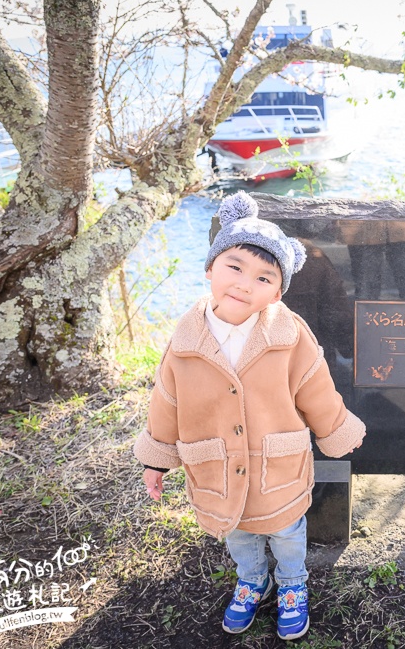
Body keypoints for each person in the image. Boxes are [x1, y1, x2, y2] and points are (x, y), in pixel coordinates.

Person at [134, 192, 365, 640]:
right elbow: (167, 401)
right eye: (233, 267)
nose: (244, 283)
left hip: (276, 465)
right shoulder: (186, 338)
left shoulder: (288, 334)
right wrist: (156, 459)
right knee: (237, 530)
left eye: (263, 277)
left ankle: (293, 585)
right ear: (209, 268)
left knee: (286, 530)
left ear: (277, 290)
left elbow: (315, 385)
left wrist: (336, 430)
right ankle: (252, 580)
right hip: (216, 466)